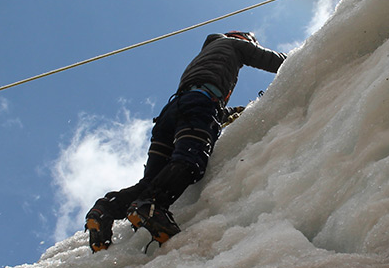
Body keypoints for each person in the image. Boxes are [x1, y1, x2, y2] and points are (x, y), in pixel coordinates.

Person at [85, 31, 286, 252]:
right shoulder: (234, 44)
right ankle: (152, 205)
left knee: (151, 179)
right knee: (190, 160)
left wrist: (229, 113)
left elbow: (197, 100)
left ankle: (105, 210)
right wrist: (301, 57)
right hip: (200, 103)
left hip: (172, 111)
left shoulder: (204, 58)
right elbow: (271, 60)